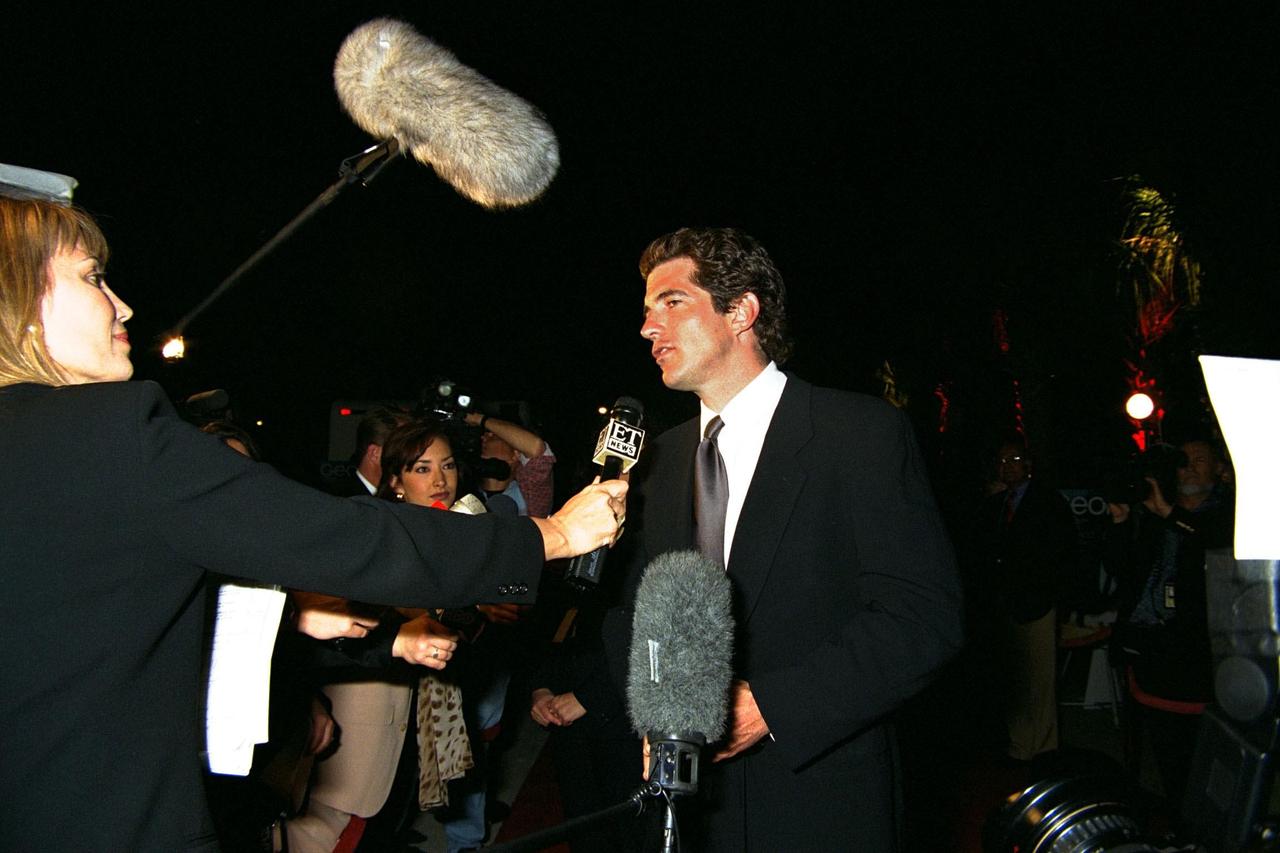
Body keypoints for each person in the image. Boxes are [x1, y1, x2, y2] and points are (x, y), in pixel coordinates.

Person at [0, 195, 625, 852]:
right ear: (21, 299)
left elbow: (91, 613)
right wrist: (551, 535)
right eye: (92, 276)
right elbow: (346, 537)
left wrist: (293, 618)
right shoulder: (113, 432)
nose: (122, 304)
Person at [603, 227, 963, 851]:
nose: (647, 327)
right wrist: (658, 708)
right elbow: (630, 619)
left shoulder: (858, 433)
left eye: (672, 302)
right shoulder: (656, 464)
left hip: (818, 795)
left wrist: (771, 706)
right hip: (688, 812)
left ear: (741, 311)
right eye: (645, 311)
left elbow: (922, 619)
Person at [970, 436, 1078, 762]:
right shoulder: (996, 504)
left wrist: (1051, 594)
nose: (1008, 466)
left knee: (1041, 679)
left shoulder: (1047, 501)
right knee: (1014, 679)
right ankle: (1019, 748)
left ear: (1028, 464)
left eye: (1014, 460)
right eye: (1003, 462)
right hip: (1004, 604)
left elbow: (1062, 550)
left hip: (1037, 602)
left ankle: (1044, 750)